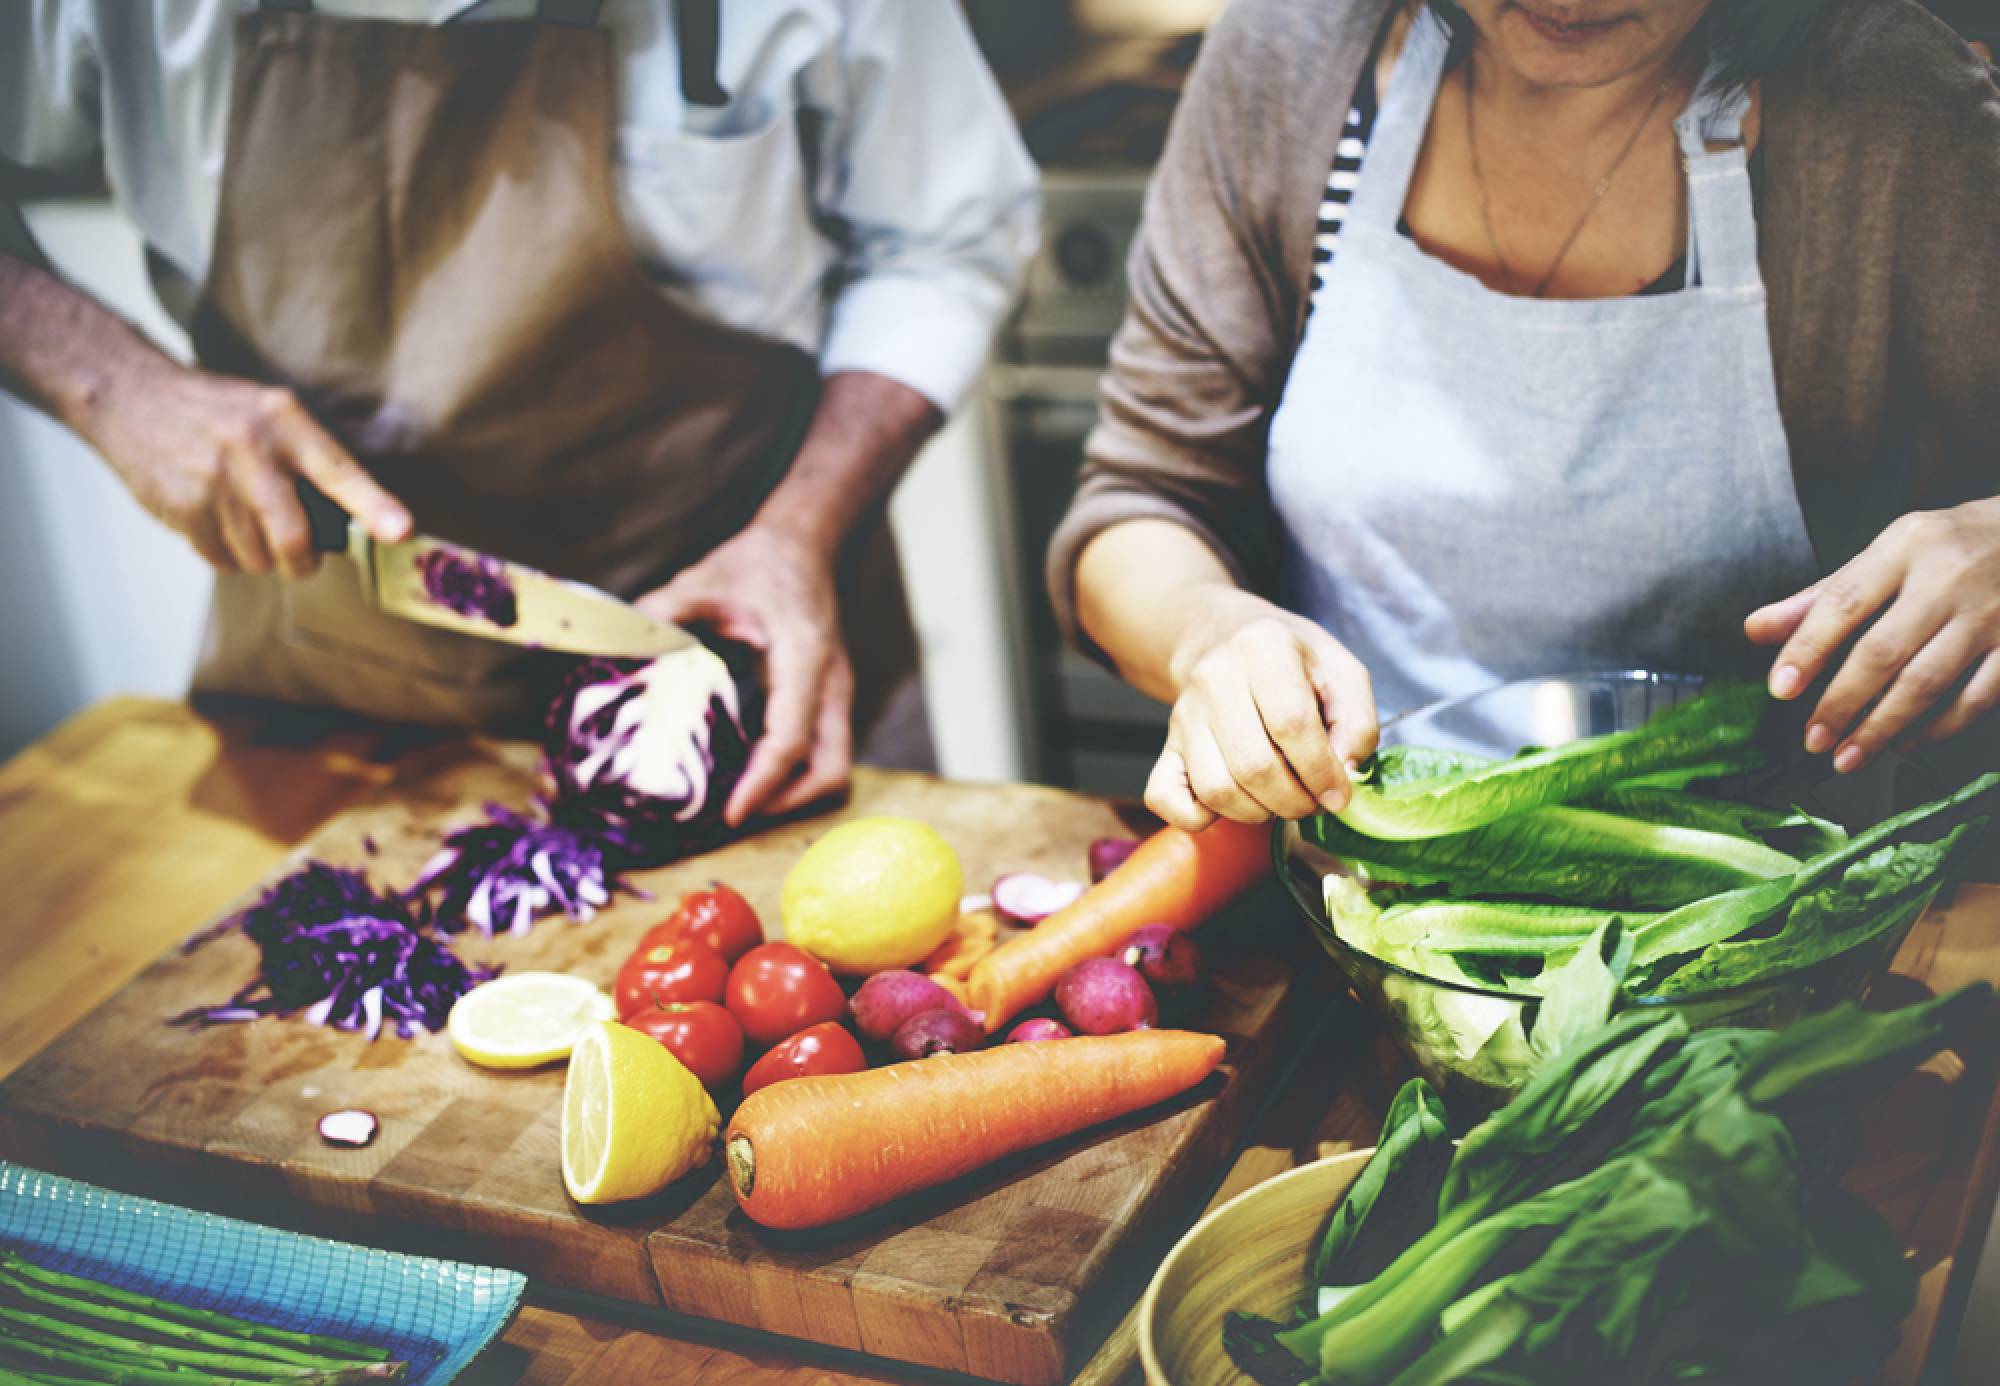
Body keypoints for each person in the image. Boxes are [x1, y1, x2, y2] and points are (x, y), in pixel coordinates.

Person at [0, 0, 1039, 825]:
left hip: (750, 668)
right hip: (331, 693)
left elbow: (944, 240)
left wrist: (801, 526)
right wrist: (112, 384)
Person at [1046, 0, 1999, 831]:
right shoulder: (1290, 59)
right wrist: (1208, 631)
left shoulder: (1894, 108)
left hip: (1773, 923)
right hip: (1358, 892)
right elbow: (1140, 501)